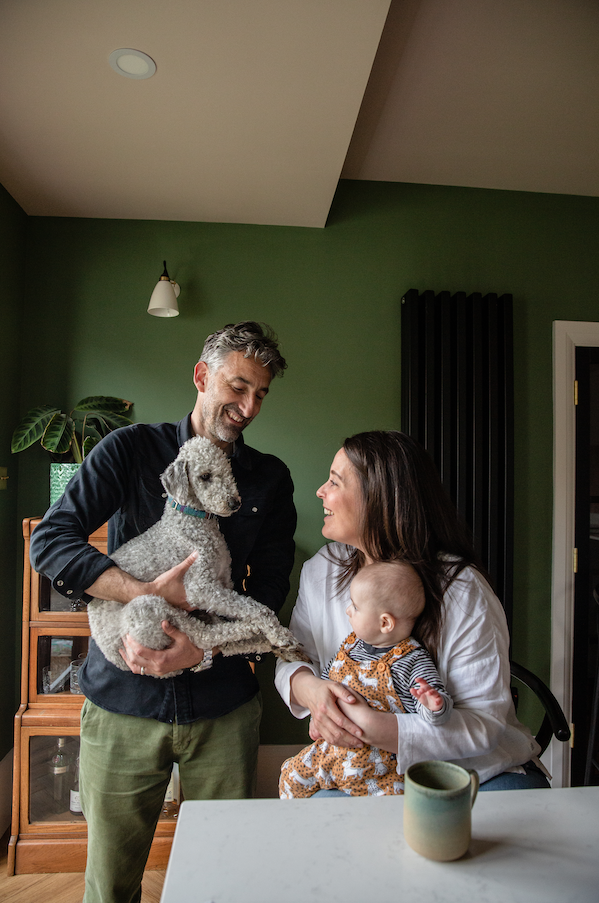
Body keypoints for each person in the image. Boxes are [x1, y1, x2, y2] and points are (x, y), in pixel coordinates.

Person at [30, 321, 296, 903]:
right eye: (238, 386)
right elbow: (49, 542)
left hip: (223, 709)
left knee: (222, 881)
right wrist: (143, 591)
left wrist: (206, 647)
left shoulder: (270, 478)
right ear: (202, 377)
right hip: (123, 703)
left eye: (261, 394)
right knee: (110, 883)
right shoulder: (128, 450)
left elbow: (271, 585)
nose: (249, 406)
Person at [275, 430, 549, 795]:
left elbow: (485, 723)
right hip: (364, 770)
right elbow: (293, 654)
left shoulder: (461, 588)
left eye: (335, 482)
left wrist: (371, 726)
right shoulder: (322, 570)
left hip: (478, 771)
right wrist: (308, 689)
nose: (320, 491)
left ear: (379, 500)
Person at [279, 559, 452, 798]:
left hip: (378, 766)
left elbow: (431, 712)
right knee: (290, 775)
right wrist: (319, 712)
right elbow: (327, 683)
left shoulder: (410, 659)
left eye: (356, 607)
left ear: (384, 622)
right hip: (329, 752)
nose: (348, 610)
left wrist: (433, 704)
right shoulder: (350, 645)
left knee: (389, 807)